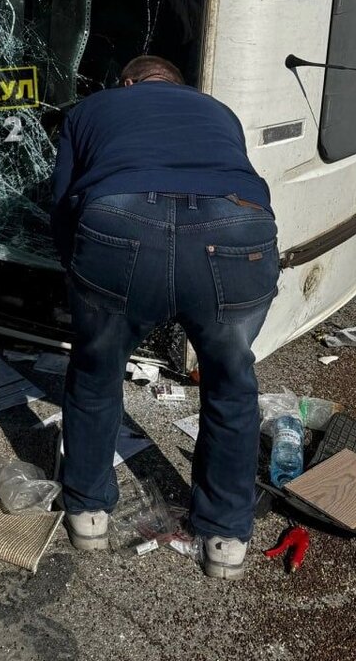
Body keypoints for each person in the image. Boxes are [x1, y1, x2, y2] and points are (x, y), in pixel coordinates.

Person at [51, 54, 278, 579]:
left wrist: (82, 271)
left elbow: (62, 202)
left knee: (96, 371)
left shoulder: (92, 108)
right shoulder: (218, 111)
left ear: (127, 83)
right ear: (182, 87)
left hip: (121, 222)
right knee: (230, 383)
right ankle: (225, 540)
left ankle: (87, 512)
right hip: (235, 230)